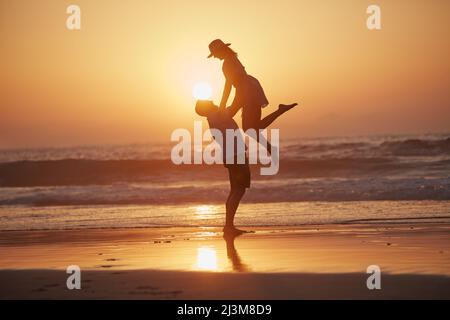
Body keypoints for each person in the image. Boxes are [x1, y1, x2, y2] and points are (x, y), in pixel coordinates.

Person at [207, 39, 298, 152]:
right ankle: (269, 144)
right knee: (249, 127)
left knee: (243, 125)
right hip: (250, 88)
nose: (215, 57)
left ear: (221, 51)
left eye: (215, 54)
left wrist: (222, 105)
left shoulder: (227, 63)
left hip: (246, 91)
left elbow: (228, 85)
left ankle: (235, 146)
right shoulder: (233, 58)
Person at [195, 100, 250, 235]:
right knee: (239, 190)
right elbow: (237, 103)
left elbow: (236, 105)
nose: (211, 100)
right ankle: (228, 226)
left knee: (235, 190)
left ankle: (229, 226)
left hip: (231, 155)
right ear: (206, 107)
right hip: (236, 155)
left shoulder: (215, 116)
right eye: (207, 101)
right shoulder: (217, 115)